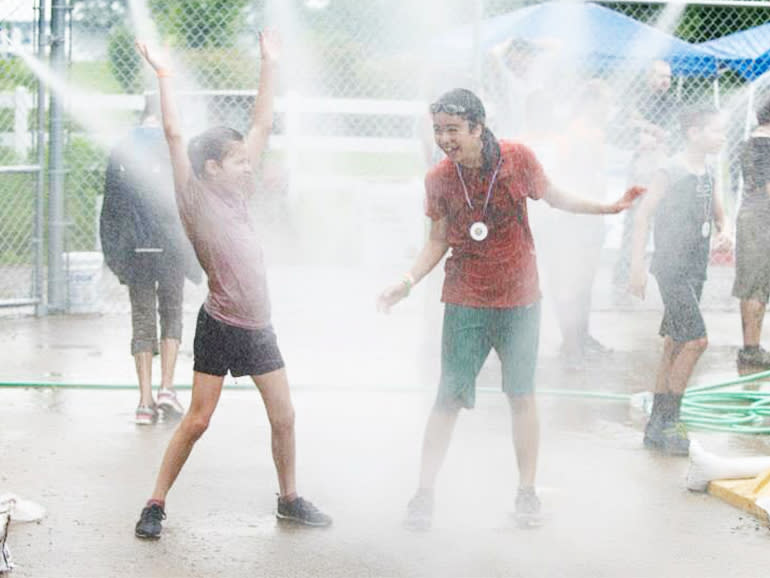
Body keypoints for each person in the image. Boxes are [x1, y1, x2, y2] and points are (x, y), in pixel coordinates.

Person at [377, 88, 643, 530]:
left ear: (478, 128)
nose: (444, 139)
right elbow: (438, 239)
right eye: (438, 130)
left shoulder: (516, 158)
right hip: (465, 301)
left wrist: (607, 208)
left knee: (521, 394)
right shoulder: (439, 179)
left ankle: (526, 493)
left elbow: (555, 196)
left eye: (453, 130)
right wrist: (406, 282)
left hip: (520, 300)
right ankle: (423, 494)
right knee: (448, 398)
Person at [132, 31, 331, 540]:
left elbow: (262, 122)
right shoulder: (195, 201)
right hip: (220, 324)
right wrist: (165, 74)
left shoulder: (239, 194)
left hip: (259, 327)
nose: (250, 166)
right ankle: (155, 503)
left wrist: (269, 62)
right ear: (211, 169)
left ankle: (288, 499)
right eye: (240, 161)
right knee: (198, 421)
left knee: (284, 416)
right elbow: (176, 136)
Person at [629, 104, 731, 456]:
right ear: (694, 133)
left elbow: (719, 212)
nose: (722, 137)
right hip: (671, 267)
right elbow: (642, 217)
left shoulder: (708, 170)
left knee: (675, 340)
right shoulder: (669, 171)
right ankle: (670, 419)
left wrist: (726, 230)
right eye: (716, 131)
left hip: (695, 268)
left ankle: (656, 425)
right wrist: (637, 265)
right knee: (696, 340)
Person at [101, 96, 201, 425]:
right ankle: (167, 389)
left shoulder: (122, 147)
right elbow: (190, 201)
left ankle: (144, 402)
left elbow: (111, 209)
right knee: (171, 311)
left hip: (135, 249)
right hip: (172, 246)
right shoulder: (177, 147)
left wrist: (116, 256)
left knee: (141, 318)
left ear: (142, 115)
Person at [538, 79, 614, 364]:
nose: (610, 108)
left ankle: (580, 337)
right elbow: (577, 176)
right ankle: (573, 345)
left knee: (582, 281)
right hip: (576, 219)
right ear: (591, 103)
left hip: (585, 216)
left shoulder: (587, 132)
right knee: (574, 281)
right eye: (606, 102)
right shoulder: (581, 134)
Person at [612, 60, 679, 290]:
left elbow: (677, 136)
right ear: (649, 77)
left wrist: (657, 133)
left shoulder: (673, 105)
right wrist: (640, 137)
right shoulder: (636, 101)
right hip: (640, 171)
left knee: (665, 225)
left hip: (663, 172)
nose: (665, 81)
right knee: (633, 226)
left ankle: (664, 280)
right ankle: (623, 279)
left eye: (668, 77)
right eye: (660, 76)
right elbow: (618, 132)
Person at [733, 95, 770, 369]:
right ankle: (751, 350)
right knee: (756, 284)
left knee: (755, 282)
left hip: (754, 218)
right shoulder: (762, 144)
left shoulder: (753, 143)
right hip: (760, 220)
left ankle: (752, 347)